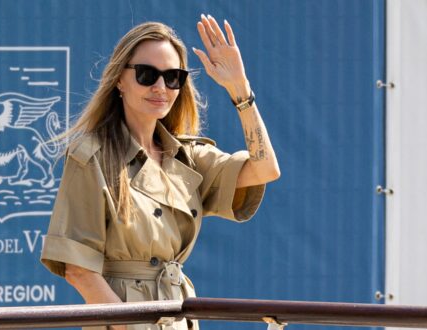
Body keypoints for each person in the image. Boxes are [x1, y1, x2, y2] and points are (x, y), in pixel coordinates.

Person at [41, 14, 280, 330]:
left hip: (177, 316)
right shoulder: (92, 155)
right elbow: (78, 269)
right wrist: (128, 325)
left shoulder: (187, 157)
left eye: (173, 77)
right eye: (146, 74)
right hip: (124, 320)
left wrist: (239, 88)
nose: (160, 87)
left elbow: (265, 168)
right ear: (119, 80)